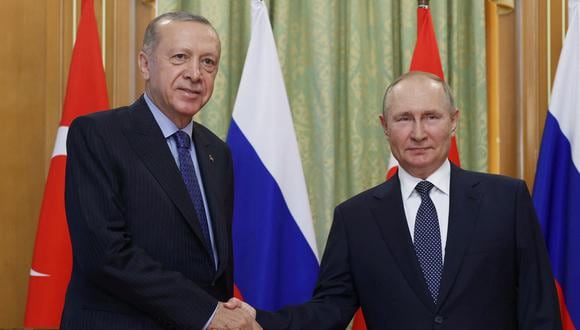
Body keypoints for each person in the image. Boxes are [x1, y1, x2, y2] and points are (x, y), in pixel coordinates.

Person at [232, 71, 562, 329]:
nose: (418, 133)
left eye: (431, 117)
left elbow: (539, 308)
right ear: (385, 126)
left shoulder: (507, 199)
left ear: (454, 121)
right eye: (404, 118)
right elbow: (329, 310)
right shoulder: (355, 218)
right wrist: (260, 322)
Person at [61, 11, 259, 329]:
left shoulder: (217, 153)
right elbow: (105, 254)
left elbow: (212, 264)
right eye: (180, 57)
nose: (195, 73)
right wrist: (207, 313)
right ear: (145, 64)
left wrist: (226, 313)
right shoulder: (99, 133)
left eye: (208, 62)